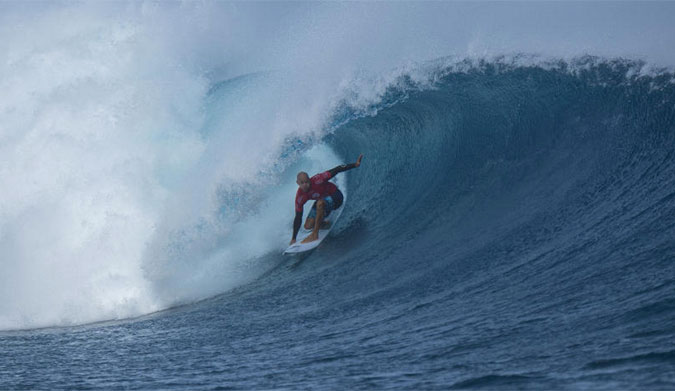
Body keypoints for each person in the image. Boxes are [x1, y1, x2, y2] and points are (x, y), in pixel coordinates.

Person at [290, 154, 363, 245]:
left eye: (307, 182)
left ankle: (314, 234)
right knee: (308, 226)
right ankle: (325, 224)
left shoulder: (318, 179)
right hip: (323, 202)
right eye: (302, 183)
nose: (305, 184)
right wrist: (293, 238)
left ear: (310, 180)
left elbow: (337, 169)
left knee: (320, 203)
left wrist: (355, 164)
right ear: (298, 183)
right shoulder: (300, 197)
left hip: (336, 197)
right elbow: (298, 217)